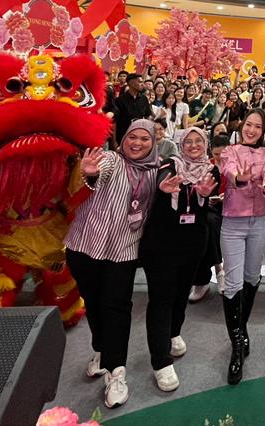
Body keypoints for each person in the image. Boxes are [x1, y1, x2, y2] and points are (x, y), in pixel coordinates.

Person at [65, 120, 160, 408]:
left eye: (145, 138)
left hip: (123, 250)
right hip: (85, 245)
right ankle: (100, 349)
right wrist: (90, 174)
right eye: (133, 137)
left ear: (154, 143)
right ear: (124, 138)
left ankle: (116, 370)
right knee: (93, 303)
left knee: (117, 308)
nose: (138, 143)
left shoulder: (156, 172)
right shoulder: (110, 159)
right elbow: (96, 173)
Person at [140, 127, 219, 392]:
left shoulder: (210, 169)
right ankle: (160, 361)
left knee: (181, 294)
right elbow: (163, 179)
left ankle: (173, 333)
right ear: (181, 144)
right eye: (189, 141)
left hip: (193, 242)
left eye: (199, 141)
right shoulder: (171, 164)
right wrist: (163, 187)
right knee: (161, 299)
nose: (194, 145)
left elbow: (203, 203)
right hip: (162, 242)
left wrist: (203, 195)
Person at [219, 110, 265, 385]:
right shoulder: (230, 150)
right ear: (242, 126)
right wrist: (240, 178)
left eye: (258, 126)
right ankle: (236, 348)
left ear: (264, 129)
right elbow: (229, 172)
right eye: (248, 125)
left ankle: (240, 330)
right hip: (233, 222)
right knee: (232, 284)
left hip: (260, 222)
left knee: (252, 278)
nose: (252, 130)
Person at [190, 133, 229, 302]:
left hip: (230, 210)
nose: (219, 157)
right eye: (216, 154)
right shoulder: (208, 167)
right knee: (203, 224)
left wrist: (224, 197)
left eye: (223, 154)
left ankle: (207, 276)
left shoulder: (236, 168)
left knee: (209, 224)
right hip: (208, 208)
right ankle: (218, 269)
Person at [114, 73, 152, 145]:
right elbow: (115, 122)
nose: (142, 85)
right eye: (140, 82)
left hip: (139, 137)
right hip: (122, 138)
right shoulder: (119, 100)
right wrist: (114, 141)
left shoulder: (144, 99)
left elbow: (148, 115)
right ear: (131, 83)